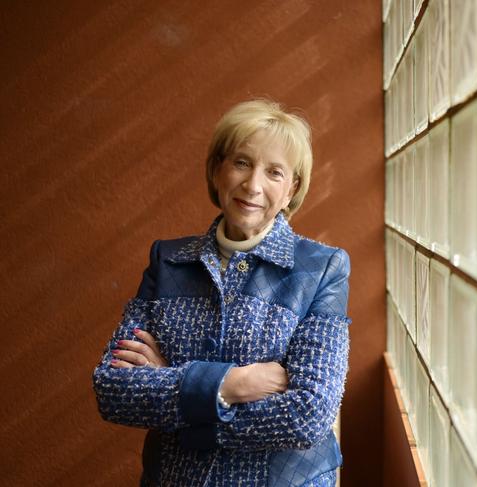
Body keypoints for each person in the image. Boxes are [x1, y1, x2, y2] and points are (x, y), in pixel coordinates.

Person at [92, 99, 351, 487]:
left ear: (292, 189)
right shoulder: (169, 261)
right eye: (242, 163)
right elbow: (113, 390)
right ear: (217, 170)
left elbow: (309, 414)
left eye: (274, 172)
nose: (253, 185)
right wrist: (233, 386)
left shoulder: (320, 269)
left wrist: (182, 394)